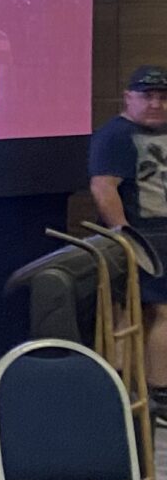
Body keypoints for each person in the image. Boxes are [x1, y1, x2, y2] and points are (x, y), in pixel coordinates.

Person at [88, 65, 167, 408]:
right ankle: (154, 391)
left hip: (161, 233)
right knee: (146, 312)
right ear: (128, 97)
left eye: (163, 97)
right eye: (147, 96)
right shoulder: (115, 135)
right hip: (140, 234)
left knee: (149, 314)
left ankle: (143, 390)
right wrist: (124, 234)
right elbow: (104, 188)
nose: (156, 104)